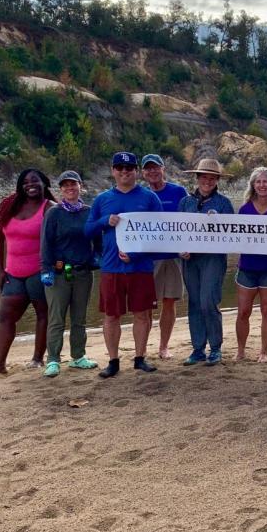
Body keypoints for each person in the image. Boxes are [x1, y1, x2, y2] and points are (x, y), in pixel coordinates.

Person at [84, 151, 163, 378]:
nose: (124, 172)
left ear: (136, 171)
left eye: (129, 168)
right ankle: (113, 361)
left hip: (140, 267)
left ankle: (140, 358)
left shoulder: (149, 198)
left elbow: (159, 233)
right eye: (120, 168)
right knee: (111, 316)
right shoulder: (102, 199)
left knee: (142, 314)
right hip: (111, 267)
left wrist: (137, 255)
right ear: (113, 171)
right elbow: (87, 231)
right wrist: (104, 221)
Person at [0, 169, 55, 377]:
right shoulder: (9, 206)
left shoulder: (50, 208)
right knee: (5, 317)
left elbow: (62, 238)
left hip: (39, 273)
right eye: (25, 182)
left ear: (45, 184)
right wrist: (0, 270)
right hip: (12, 273)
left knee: (43, 315)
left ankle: (37, 359)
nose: (30, 185)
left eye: (35, 181)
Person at [38, 170, 100, 377]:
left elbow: (97, 237)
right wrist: (45, 269)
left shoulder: (89, 211)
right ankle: (53, 360)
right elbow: (45, 243)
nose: (70, 188)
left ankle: (78, 356)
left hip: (83, 273)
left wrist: (97, 257)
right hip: (58, 273)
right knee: (56, 318)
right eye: (65, 185)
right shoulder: (54, 213)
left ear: (81, 186)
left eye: (73, 184)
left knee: (79, 318)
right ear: (60, 189)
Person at [178, 158, 234, 366]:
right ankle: (198, 348)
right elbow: (177, 232)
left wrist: (218, 222)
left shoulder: (224, 204)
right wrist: (180, 250)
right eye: (204, 177)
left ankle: (216, 348)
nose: (207, 182)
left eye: (212, 178)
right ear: (197, 178)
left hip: (213, 259)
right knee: (194, 302)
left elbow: (231, 236)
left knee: (208, 300)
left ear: (217, 180)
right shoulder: (185, 203)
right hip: (190, 260)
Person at [235, 167, 267, 362]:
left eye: (265, 181)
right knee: (243, 311)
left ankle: (263, 352)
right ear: (253, 185)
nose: (262, 185)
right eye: (258, 182)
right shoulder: (245, 209)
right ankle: (241, 350)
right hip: (247, 267)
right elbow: (234, 237)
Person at [140, 153, 188, 360]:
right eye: (148, 168)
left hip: (174, 257)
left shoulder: (178, 191)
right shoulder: (139, 194)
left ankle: (164, 347)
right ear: (143, 173)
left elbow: (189, 221)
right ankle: (142, 348)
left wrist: (188, 246)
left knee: (170, 302)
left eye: (155, 167)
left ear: (163, 169)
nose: (152, 171)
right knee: (146, 305)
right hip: (149, 259)